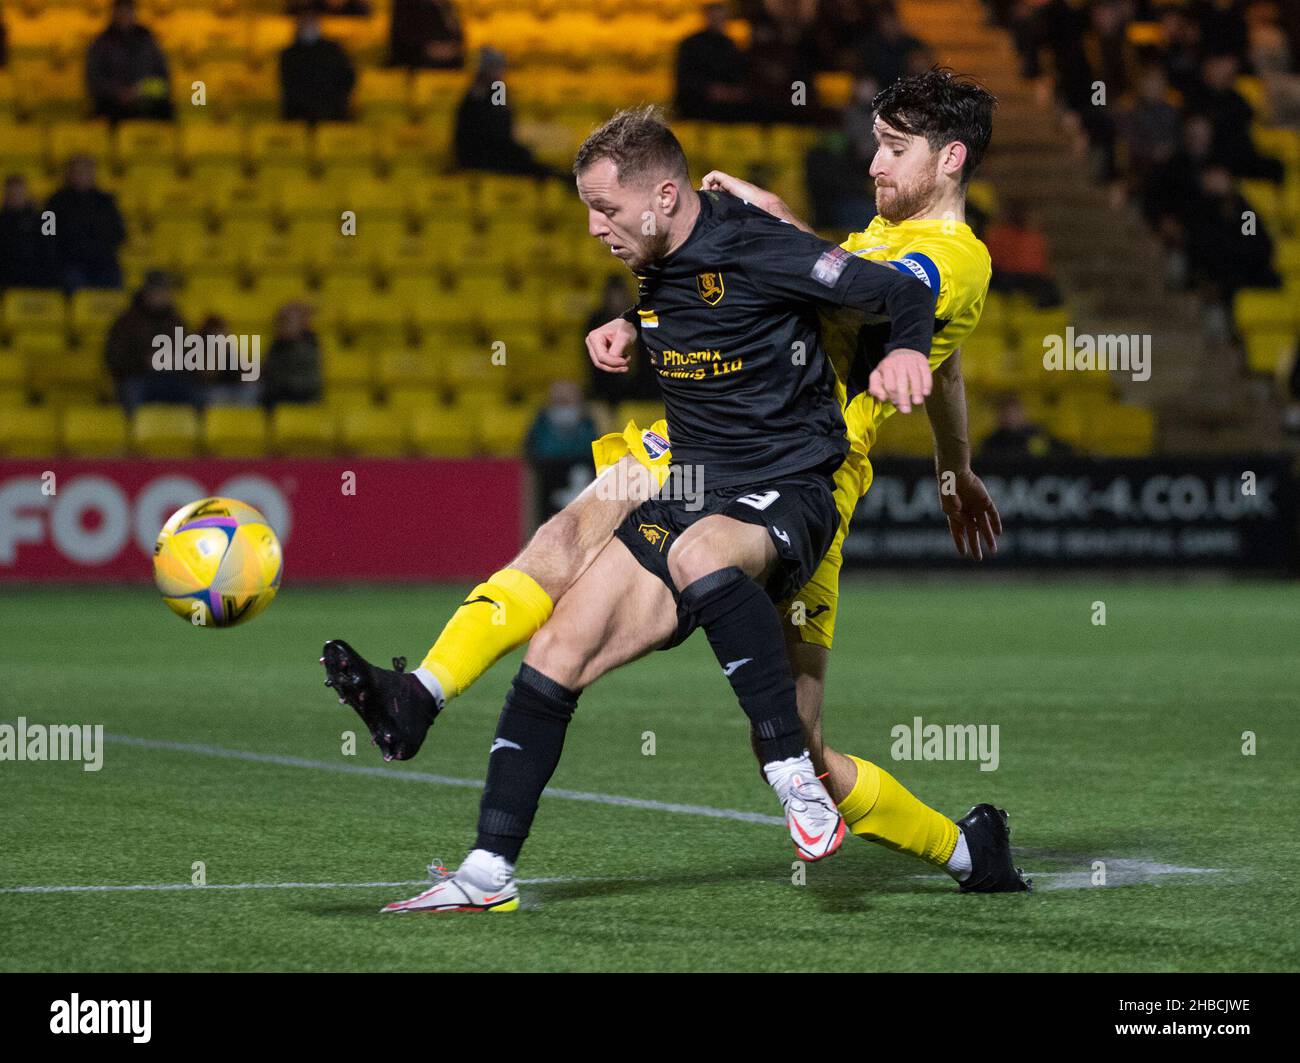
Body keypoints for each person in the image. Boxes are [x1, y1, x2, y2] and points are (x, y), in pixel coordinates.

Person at [324, 83, 1028, 911]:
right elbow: (918, 349)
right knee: (571, 535)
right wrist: (955, 468)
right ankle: (423, 700)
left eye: (894, 148)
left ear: (950, 159)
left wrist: (768, 220)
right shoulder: (888, 228)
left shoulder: (952, 258)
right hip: (712, 439)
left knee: (804, 735)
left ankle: (962, 846)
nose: (873, 162)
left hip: (802, 467)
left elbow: (876, 300)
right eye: (874, 141)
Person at [452, 47, 555, 176]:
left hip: (493, 152)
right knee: (538, 168)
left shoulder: (495, 89)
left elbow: (502, 123)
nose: (501, 72)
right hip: (479, 157)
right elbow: (492, 132)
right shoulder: (478, 93)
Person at [105, 270, 194, 411]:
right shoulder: (126, 322)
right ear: (146, 293)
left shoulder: (177, 322)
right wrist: (144, 361)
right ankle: (132, 431)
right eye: (156, 291)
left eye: (165, 291)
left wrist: (177, 362)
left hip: (172, 379)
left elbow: (190, 356)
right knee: (132, 393)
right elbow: (114, 358)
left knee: (197, 395)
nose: (161, 295)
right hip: (138, 378)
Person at [44, 155, 126, 292]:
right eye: (77, 172)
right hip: (70, 264)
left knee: (114, 281)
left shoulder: (106, 201)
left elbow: (119, 232)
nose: (81, 175)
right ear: (69, 174)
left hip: (103, 263)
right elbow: (46, 233)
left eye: (86, 171)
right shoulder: (54, 202)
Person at [85, 0, 173, 123]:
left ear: (134, 13)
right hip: (112, 101)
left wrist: (139, 90)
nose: (124, 15)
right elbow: (94, 79)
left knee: (166, 109)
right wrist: (117, 92)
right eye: (120, 11)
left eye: (128, 11)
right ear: (113, 14)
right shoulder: (100, 43)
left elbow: (163, 79)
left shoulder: (148, 41)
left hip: (144, 100)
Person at [583, 275, 657, 414]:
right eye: (613, 296)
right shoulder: (596, 321)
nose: (617, 301)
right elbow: (592, 359)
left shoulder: (641, 319)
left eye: (620, 296)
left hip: (642, 387)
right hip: (606, 386)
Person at [673, 1, 752, 122]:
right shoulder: (690, 45)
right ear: (707, 17)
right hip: (697, 104)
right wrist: (710, 90)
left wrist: (733, 92)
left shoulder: (730, 45)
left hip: (726, 106)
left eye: (723, 18)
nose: (720, 22)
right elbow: (685, 80)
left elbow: (737, 74)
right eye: (716, 18)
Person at [279, 8, 356, 124]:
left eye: (311, 23)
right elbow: (288, 85)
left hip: (333, 111)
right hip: (299, 114)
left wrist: (338, 101)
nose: (308, 26)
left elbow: (347, 77)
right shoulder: (289, 54)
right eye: (304, 23)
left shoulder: (334, 50)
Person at [984, 199, 1062, 307]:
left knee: (1051, 290)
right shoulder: (999, 234)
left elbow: (1041, 265)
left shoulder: (1035, 238)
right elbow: (992, 260)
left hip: (1029, 278)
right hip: (1004, 276)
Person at [261, 301, 323, 407]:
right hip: (279, 394)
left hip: (300, 396)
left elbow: (300, 381)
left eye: (287, 321)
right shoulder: (278, 344)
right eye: (280, 321)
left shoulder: (308, 344)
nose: (281, 326)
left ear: (302, 323)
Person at [979, 394, 1070, 459]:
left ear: (1022, 413)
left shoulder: (1038, 435)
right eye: (1005, 413)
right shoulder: (992, 441)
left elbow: (1061, 453)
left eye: (1013, 413)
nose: (1010, 417)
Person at [0, 174, 51, 290]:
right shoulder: (2, 220)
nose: (15, 196)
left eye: (19, 192)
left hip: (38, 275)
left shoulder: (46, 219)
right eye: (11, 193)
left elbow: (50, 248)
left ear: (27, 193)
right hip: (7, 276)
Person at [387, 0, 463, 69]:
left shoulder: (446, 5)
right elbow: (400, 42)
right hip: (417, 66)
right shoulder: (406, 4)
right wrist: (429, 50)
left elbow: (458, 37)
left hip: (450, 66)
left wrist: (453, 48)